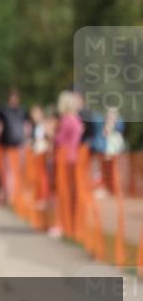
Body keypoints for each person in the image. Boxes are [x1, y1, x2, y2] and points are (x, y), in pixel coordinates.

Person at [52, 91, 84, 238]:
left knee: (63, 192)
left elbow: (60, 140)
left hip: (64, 159)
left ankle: (62, 224)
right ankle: (72, 224)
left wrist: (52, 134)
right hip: (75, 157)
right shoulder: (77, 120)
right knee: (72, 192)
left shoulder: (66, 120)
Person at [0, 88, 26, 205]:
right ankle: (8, 195)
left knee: (16, 172)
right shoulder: (3, 111)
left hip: (18, 146)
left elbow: (25, 126)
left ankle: (13, 195)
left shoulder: (21, 111)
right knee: (7, 171)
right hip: (6, 146)